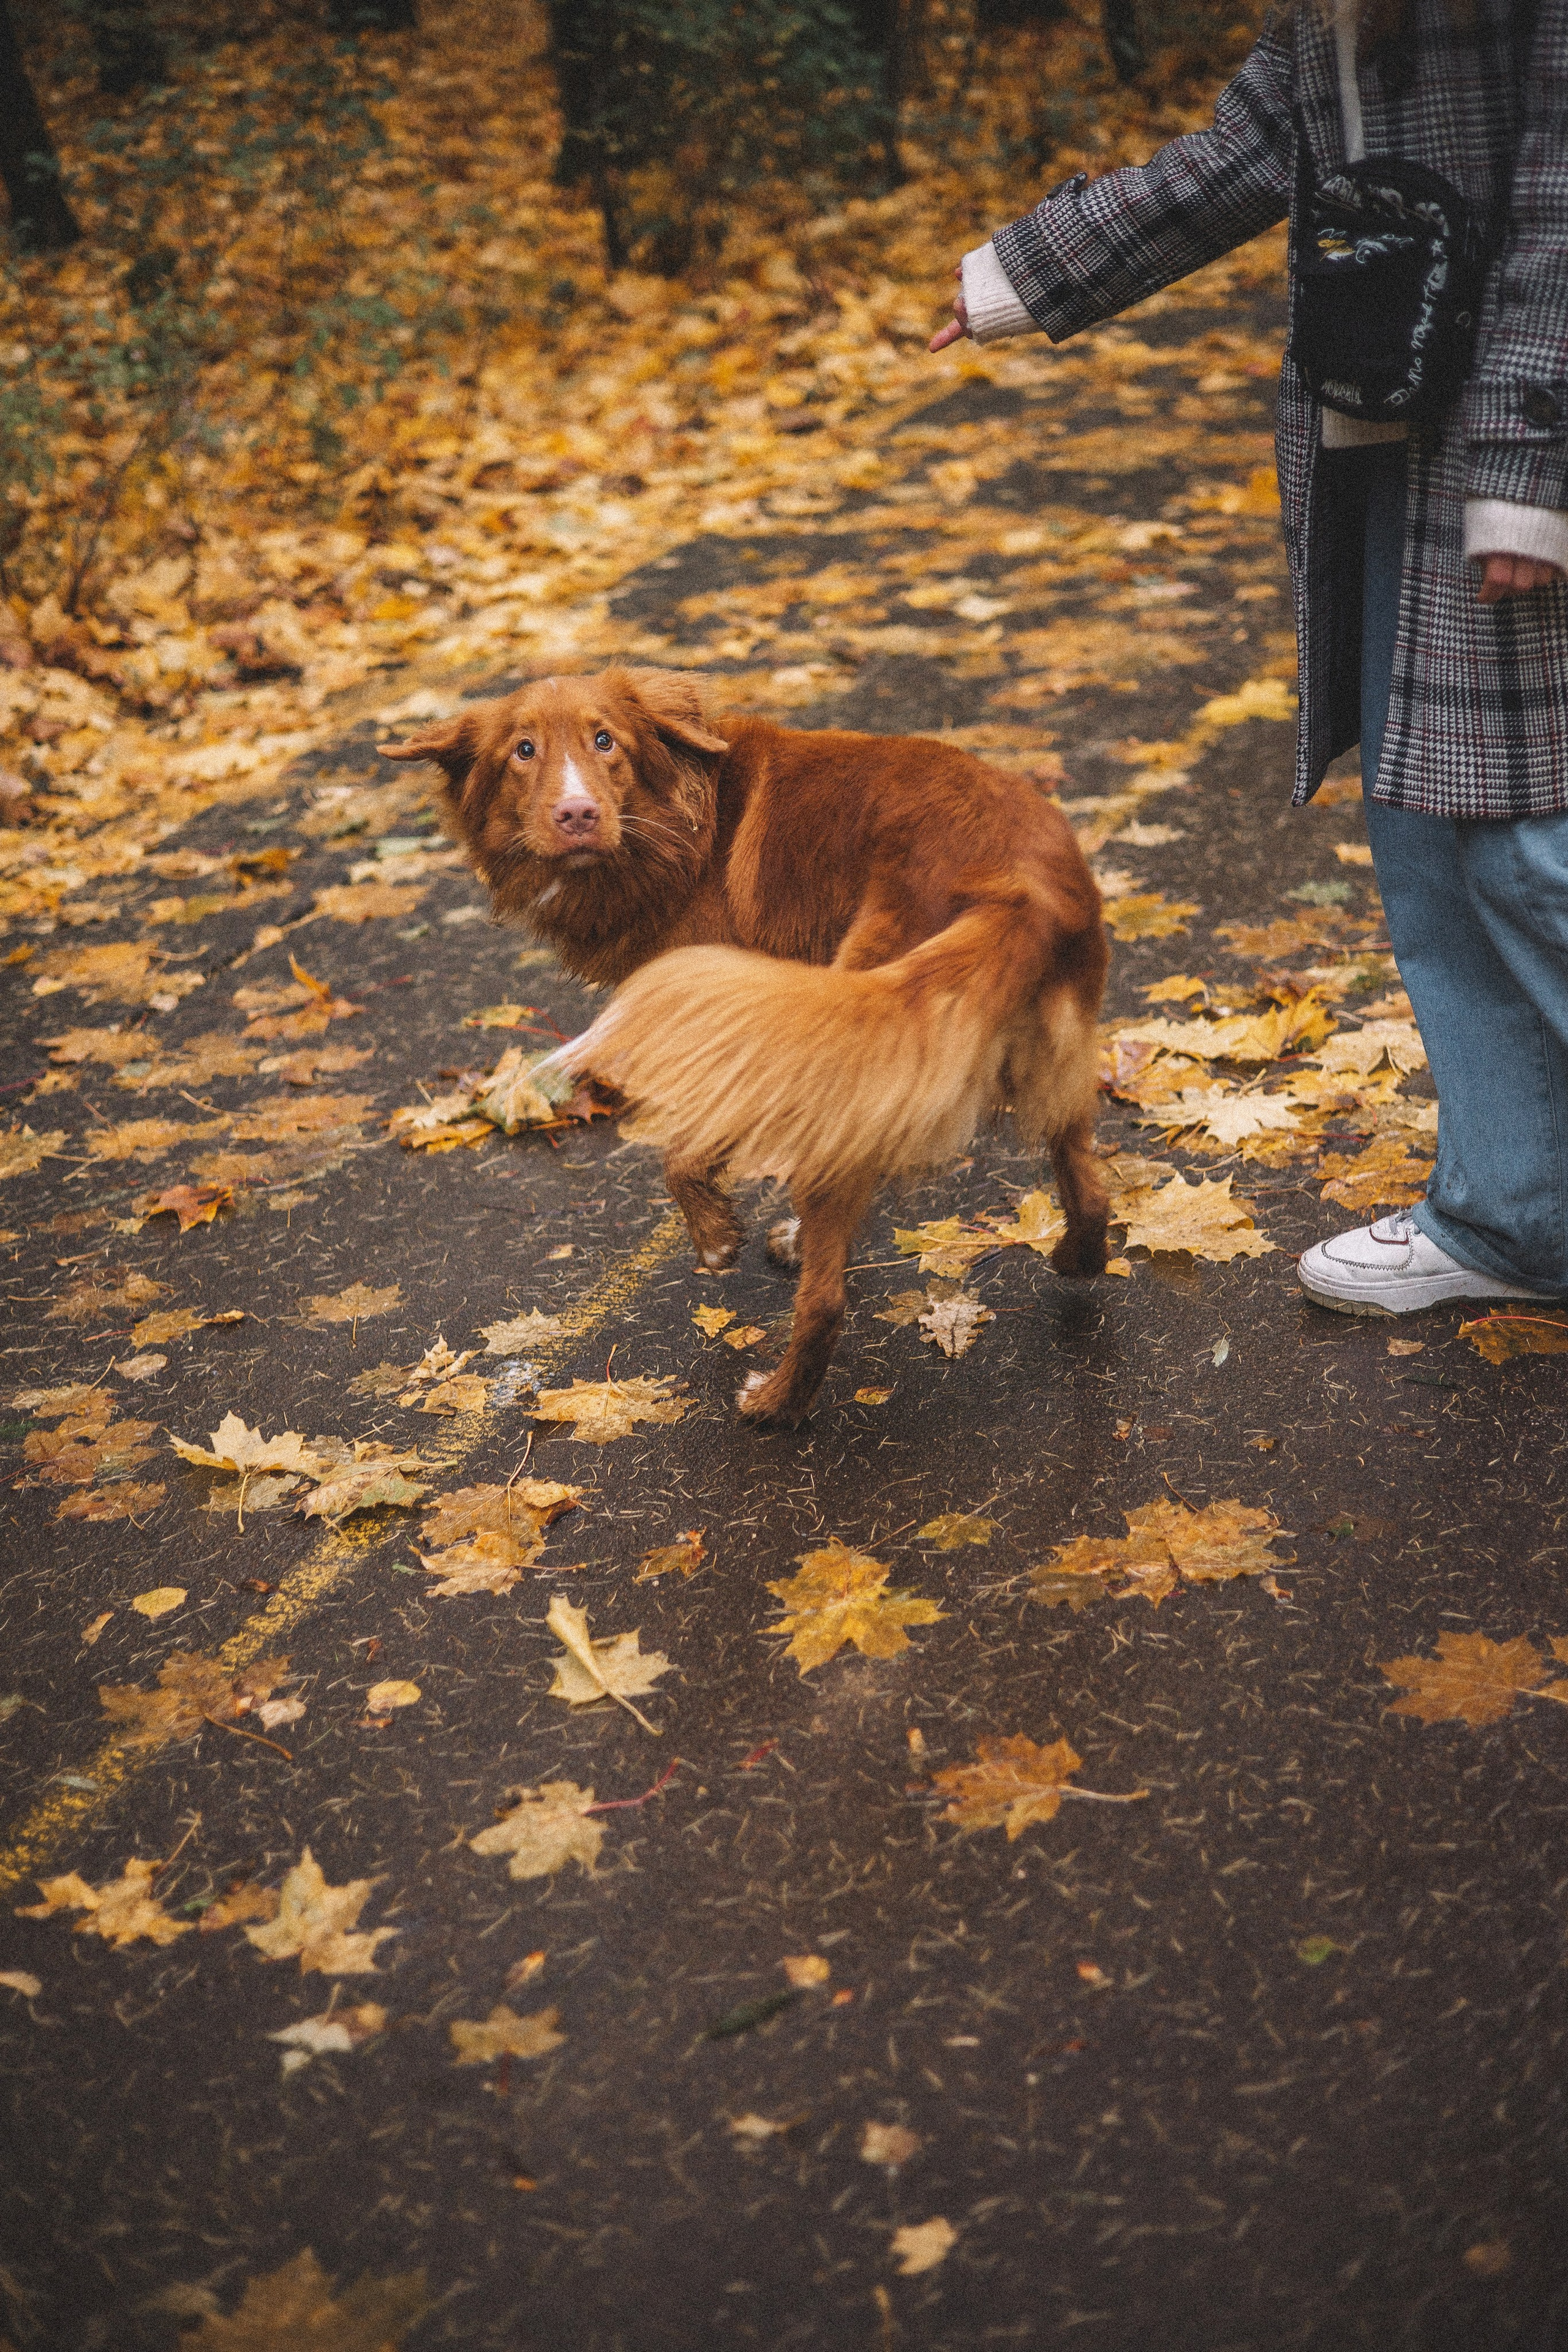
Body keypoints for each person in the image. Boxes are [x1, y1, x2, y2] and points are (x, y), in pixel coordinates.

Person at [930, 0, 1568, 1317]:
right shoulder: (1323, 17)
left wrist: (1524, 469)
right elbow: (1231, 158)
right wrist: (1020, 270)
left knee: (1521, 846)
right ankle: (1511, 1216)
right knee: (1423, 835)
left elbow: (1561, 222)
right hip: (1394, 434)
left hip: (1514, 452)